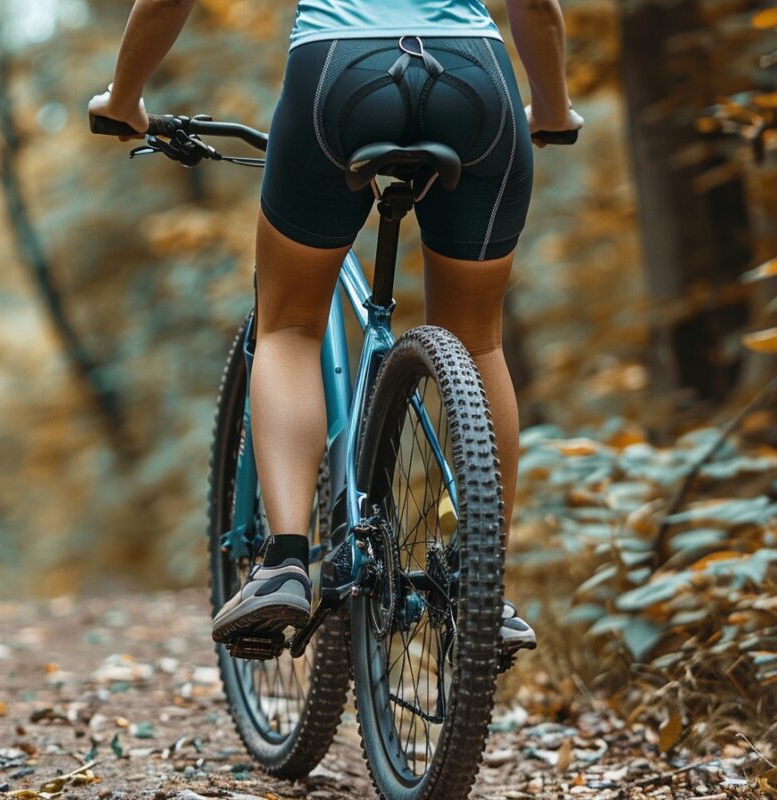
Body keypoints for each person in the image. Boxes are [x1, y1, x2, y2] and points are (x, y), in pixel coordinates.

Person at [90, 0, 582, 657]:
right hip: (479, 78)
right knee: (477, 339)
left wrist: (125, 98)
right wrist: (551, 110)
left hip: (339, 73)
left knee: (288, 325)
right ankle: (480, 583)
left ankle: (286, 562)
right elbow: (536, 7)